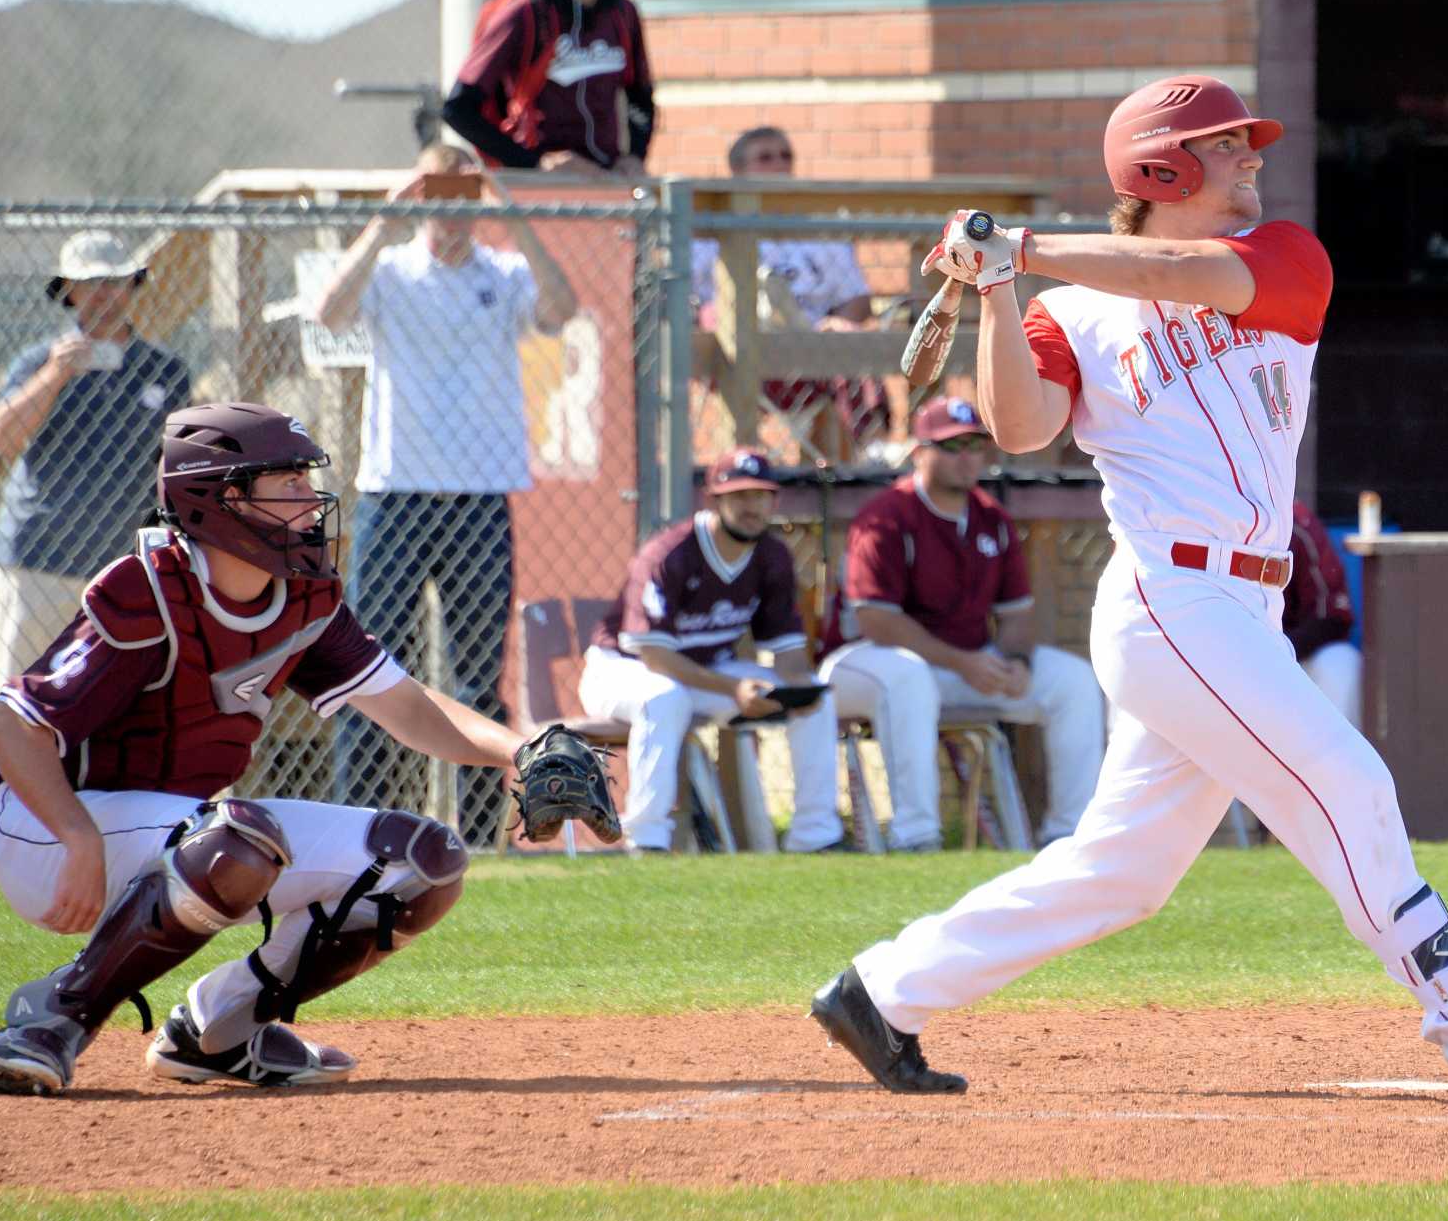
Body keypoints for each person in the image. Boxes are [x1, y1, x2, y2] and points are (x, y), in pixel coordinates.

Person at [809, 76, 1448, 1103]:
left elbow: (1178, 270)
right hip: (1167, 603)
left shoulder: (1281, 258)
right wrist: (998, 290)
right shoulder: (1072, 311)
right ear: (1159, 166)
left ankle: (880, 990)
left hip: (1243, 612)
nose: (1250, 159)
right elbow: (1017, 426)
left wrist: (1021, 246)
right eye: (1224, 144)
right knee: (1348, 782)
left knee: (1123, 872)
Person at [0, 402, 527, 1096]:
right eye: (287, 484)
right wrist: (76, 836)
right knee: (238, 841)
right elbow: (9, 727)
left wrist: (521, 750)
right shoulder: (148, 589)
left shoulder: (303, 595)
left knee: (422, 862)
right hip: (50, 829)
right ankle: (49, 1019)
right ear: (225, 499)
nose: (311, 501)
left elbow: (408, 707)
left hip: (186, 838)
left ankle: (218, 1031)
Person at [314, 142, 577, 847]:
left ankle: (478, 831)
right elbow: (329, 311)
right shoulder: (392, 270)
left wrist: (511, 214)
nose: (448, 211)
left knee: (475, 671)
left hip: (479, 496)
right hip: (396, 493)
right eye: (437, 193)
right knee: (370, 668)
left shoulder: (505, 270)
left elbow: (561, 308)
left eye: (461, 195)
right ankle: (362, 826)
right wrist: (386, 219)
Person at [819, 397, 1105, 851]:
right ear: (919, 453)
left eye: (976, 445)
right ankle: (917, 836)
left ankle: (1072, 837)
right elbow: (876, 621)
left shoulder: (991, 517)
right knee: (908, 677)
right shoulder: (887, 516)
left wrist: (1015, 663)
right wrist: (964, 664)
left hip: (959, 665)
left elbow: (1016, 615)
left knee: (1073, 682)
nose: (968, 456)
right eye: (952, 446)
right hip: (862, 665)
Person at [578, 448, 845, 853]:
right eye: (739, 496)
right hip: (622, 671)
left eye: (760, 495)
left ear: (774, 501)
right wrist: (734, 691)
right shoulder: (670, 553)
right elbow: (656, 658)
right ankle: (646, 839)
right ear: (714, 499)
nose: (751, 506)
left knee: (816, 700)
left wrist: (793, 689)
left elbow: (788, 651)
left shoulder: (772, 556)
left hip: (706, 675)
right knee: (663, 698)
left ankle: (816, 835)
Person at [0, 231, 190, 691]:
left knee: (108, 705)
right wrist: (55, 374)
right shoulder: (39, 360)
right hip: (38, 561)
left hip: (121, 569)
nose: (104, 294)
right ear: (69, 290)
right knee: (24, 700)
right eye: (90, 282)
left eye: (115, 281)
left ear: (133, 286)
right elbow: (1, 437)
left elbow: (175, 462)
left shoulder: (165, 369)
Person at [691, 125, 887, 447]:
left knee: (845, 335)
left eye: (785, 156)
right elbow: (689, 300)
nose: (779, 165)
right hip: (737, 353)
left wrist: (840, 322)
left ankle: (877, 450)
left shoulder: (821, 231)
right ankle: (743, 457)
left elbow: (857, 300)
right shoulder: (709, 230)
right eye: (765, 158)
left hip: (813, 352)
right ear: (738, 172)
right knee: (724, 311)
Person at [441, 0, 654, 177]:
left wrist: (635, 156)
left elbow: (641, 98)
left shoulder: (623, 14)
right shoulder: (526, 11)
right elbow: (458, 108)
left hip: (605, 180)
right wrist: (532, 162)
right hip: (539, 187)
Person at [1281, 502, 1361, 729]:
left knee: (1341, 663)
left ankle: (1336, 761)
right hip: (1230, 655)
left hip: (1291, 653)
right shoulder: (1205, 525)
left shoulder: (1296, 521)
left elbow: (1332, 619)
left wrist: (1281, 648)